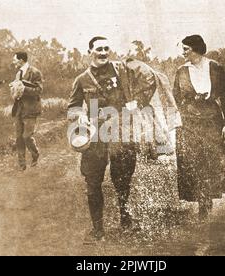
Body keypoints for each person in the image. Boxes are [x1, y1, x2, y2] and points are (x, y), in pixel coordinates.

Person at [68, 36, 157, 243]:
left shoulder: (122, 71)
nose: (103, 53)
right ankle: (98, 229)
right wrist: (78, 115)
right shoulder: (82, 79)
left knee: (123, 180)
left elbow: (149, 79)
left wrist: (138, 102)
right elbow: (72, 107)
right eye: (98, 49)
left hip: (121, 132)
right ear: (90, 51)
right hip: (95, 136)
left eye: (106, 49)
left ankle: (126, 220)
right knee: (93, 182)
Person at [173, 34, 225, 220]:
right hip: (190, 123)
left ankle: (206, 202)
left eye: (186, 49)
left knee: (211, 162)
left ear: (196, 50)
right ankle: (202, 204)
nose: (183, 52)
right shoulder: (181, 71)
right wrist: (184, 111)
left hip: (212, 121)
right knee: (194, 162)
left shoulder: (215, 68)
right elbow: (175, 97)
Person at [10, 51, 43, 171]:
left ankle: (35, 154)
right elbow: (17, 89)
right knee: (19, 137)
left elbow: (39, 90)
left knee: (27, 136)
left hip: (31, 109)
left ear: (21, 60)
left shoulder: (35, 72)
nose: (13, 62)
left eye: (14, 59)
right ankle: (21, 165)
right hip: (19, 109)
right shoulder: (18, 73)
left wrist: (24, 89)